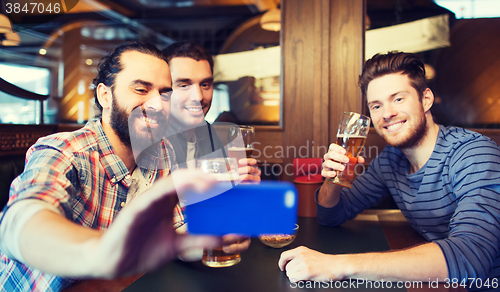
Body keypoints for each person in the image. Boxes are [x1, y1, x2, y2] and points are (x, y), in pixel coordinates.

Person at [0, 41, 222, 291]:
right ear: (105, 96)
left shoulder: (163, 153)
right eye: (141, 89)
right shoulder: (65, 150)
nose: (157, 104)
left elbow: (178, 232)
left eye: (164, 93)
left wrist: (216, 237)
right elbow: (21, 220)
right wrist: (103, 252)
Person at [278, 51, 500, 286]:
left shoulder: (473, 155)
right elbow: (331, 215)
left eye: (398, 99)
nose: (387, 113)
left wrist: (336, 266)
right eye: (376, 105)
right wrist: (332, 179)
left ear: (426, 99)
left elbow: (469, 259)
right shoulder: (391, 161)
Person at [161, 42, 260, 255]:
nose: (198, 96)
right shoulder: (147, 142)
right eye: (184, 85)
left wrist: (244, 190)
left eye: (205, 84)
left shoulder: (213, 138)